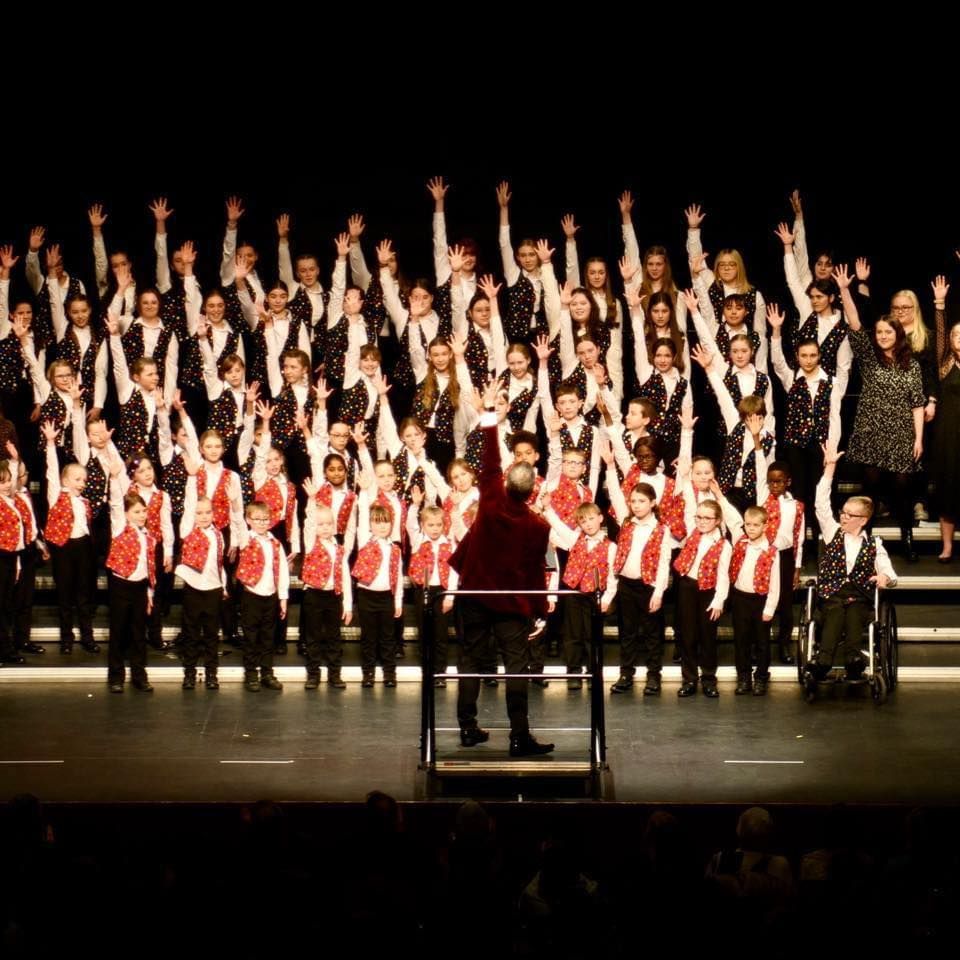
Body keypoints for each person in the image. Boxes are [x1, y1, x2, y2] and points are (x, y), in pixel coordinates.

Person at [450, 378, 554, 756]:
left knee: (470, 661)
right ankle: (518, 736)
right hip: (510, 603)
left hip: (475, 594)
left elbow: (489, 458)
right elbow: (533, 574)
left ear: (507, 482)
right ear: (532, 491)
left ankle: (467, 728)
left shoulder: (492, 495)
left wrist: (490, 413)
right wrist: (540, 612)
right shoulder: (538, 526)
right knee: (516, 667)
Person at [841, 265, 925, 561]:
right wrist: (843, 290)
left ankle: (907, 537)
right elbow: (853, 323)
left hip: (902, 434)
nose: (883, 336)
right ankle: (866, 543)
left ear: (897, 333)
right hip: (871, 432)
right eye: (879, 332)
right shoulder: (868, 358)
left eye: (888, 331)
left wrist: (919, 439)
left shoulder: (911, 365)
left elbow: (917, 403)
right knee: (871, 490)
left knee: (903, 488)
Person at [809, 446, 897, 680]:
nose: (843, 517)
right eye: (843, 512)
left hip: (859, 594)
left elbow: (887, 569)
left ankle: (853, 659)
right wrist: (830, 468)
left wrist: (885, 578)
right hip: (832, 593)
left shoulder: (874, 544)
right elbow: (821, 503)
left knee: (855, 612)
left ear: (864, 520)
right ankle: (824, 660)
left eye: (849, 515)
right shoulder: (832, 532)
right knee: (836, 611)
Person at [932, 274, 958, 561]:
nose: (959, 337)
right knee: (948, 486)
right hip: (949, 434)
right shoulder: (945, 363)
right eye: (956, 334)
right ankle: (947, 546)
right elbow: (939, 334)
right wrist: (939, 304)